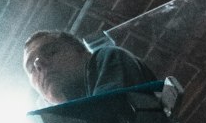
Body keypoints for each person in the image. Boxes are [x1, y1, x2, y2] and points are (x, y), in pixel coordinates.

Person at [21, 30, 161, 107]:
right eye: (31, 68)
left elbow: (107, 118)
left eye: (52, 52)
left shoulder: (106, 57)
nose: (38, 64)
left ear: (85, 54)